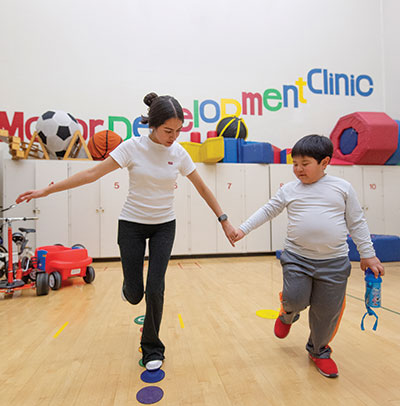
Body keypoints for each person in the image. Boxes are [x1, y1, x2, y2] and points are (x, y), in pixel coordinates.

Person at [16, 92, 237, 371]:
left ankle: (152, 347)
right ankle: (129, 289)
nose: (173, 137)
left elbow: (203, 188)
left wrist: (224, 220)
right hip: (131, 225)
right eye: (168, 130)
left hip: (164, 227)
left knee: (156, 288)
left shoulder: (179, 154)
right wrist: (46, 190)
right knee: (136, 294)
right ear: (152, 125)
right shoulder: (132, 147)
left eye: (178, 131)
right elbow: (91, 174)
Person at [234, 134, 384, 378]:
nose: (298, 169)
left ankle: (318, 350)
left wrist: (368, 255)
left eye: (305, 164)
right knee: (294, 298)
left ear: (324, 162)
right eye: (295, 164)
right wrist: (242, 229)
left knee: (326, 314)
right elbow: (267, 211)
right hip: (297, 258)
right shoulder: (289, 190)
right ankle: (288, 313)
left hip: (334, 263)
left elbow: (357, 222)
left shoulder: (342, 188)